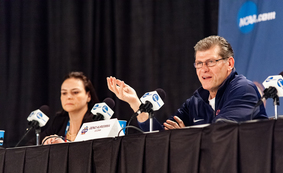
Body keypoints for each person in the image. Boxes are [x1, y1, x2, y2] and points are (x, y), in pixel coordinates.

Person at [107, 35, 268, 131]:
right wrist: (136, 104)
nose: (203, 69)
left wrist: (186, 137)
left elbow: (223, 133)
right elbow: (162, 138)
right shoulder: (196, 101)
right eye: (199, 63)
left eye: (211, 62)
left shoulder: (243, 89)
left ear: (230, 63)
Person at [41, 71, 99, 145]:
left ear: (88, 96)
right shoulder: (59, 121)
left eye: (75, 92)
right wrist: (46, 140)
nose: (68, 97)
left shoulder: (96, 122)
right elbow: (33, 144)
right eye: (64, 93)